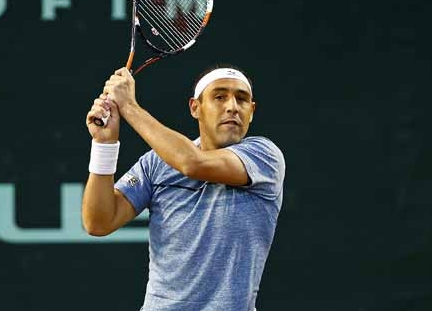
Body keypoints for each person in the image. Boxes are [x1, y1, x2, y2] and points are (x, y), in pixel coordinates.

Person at [82, 64, 285, 311]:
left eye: (241, 99)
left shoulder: (264, 156)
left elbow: (192, 163)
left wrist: (129, 107)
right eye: (220, 97)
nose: (232, 106)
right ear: (195, 108)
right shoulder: (156, 163)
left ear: (251, 112)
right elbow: (99, 222)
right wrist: (104, 145)